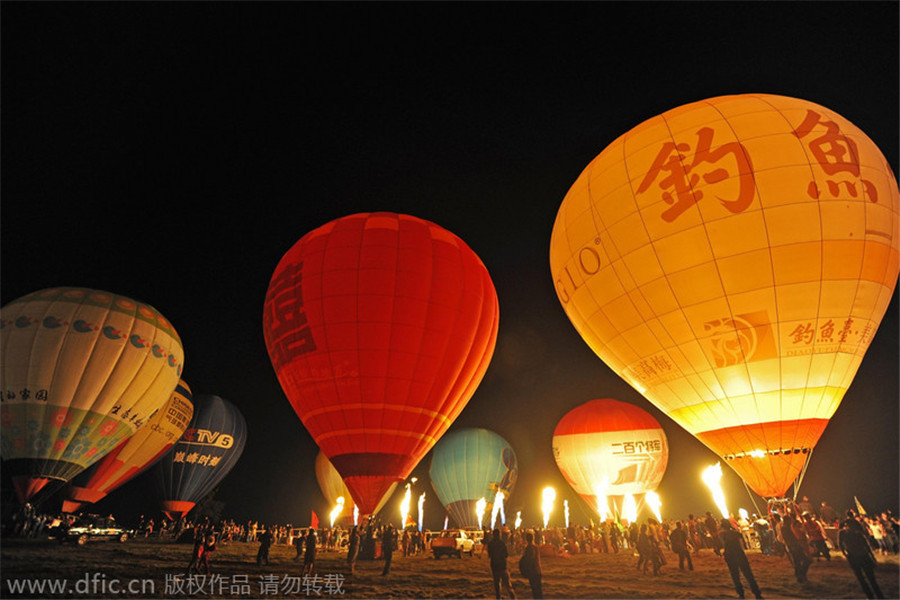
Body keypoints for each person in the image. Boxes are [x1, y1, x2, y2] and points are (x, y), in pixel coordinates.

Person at [839, 518, 884, 599]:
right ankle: (871, 596)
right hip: (855, 557)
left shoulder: (857, 534)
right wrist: (845, 553)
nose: (848, 527)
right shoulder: (843, 533)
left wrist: (872, 557)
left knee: (870, 579)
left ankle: (878, 596)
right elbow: (840, 544)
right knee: (862, 579)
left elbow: (866, 546)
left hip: (862, 557)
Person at [720, 520, 763, 599]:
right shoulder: (736, 533)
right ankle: (757, 593)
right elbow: (741, 544)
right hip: (739, 554)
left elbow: (722, 545)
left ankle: (741, 594)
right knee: (748, 574)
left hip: (730, 556)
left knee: (735, 575)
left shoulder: (722, 534)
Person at [781, 514, 811, 583]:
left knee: (798, 562)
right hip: (794, 547)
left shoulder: (787, 528)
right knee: (804, 561)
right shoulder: (785, 528)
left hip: (794, 546)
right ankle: (801, 574)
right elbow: (789, 539)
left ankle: (800, 575)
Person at [487, 528, 516, 599]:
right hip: (502, 566)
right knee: (507, 584)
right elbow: (506, 554)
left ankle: (498, 598)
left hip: (494, 566)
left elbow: (489, 555)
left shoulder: (490, 544)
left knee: (497, 584)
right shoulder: (502, 543)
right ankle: (513, 598)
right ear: (499, 535)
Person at [519, 532, 542, 599]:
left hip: (533, 572)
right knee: (539, 590)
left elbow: (529, 559)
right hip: (538, 570)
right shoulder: (536, 547)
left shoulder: (529, 548)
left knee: (535, 591)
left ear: (526, 539)